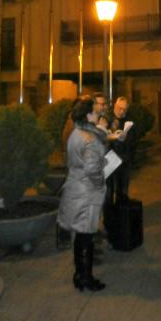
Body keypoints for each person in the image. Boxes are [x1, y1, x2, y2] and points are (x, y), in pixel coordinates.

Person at [58, 95, 107, 292]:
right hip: (87, 192)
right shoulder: (91, 139)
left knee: (80, 236)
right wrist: (101, 181)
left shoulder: (76, 133)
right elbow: (93, 170)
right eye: (95, 111)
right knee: (87, 236)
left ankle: (79, 274)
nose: (99, 114)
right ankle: (86, 277)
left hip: (75, 188)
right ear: (88, 116)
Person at [106, 96, 137, 204]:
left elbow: (134, 140)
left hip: (124, 158)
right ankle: (109, 215)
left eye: (124, 109)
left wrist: (126, 139)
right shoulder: (107, 119)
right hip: (109, 157)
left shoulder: (129, 120)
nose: (122, 111)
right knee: (108, 189)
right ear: (115, 105)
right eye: (120, 108)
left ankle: (121, 211)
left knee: (123, 187)